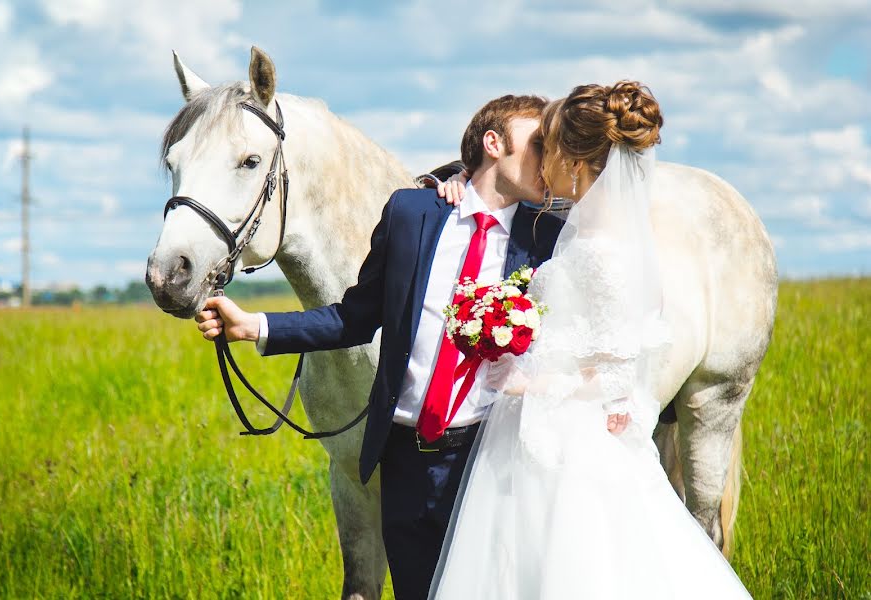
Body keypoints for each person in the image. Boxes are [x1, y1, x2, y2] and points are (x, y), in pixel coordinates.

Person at [196, 95, 626, 600]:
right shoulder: (412, 213)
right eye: (537, 143)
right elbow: (352, 317)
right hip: (403, 462)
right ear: (493, 144)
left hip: (488, 461)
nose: (549, 154)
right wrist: (253, 326)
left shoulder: (547, 234)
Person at [428, 81, 752, 599]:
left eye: (548, 148)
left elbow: (617, 367)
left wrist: (526, 382)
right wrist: (453, 177)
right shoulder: (584, 230)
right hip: (542, 431)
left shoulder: (605, 251)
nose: (542, 162)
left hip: (564, 442)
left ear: (574, 161)